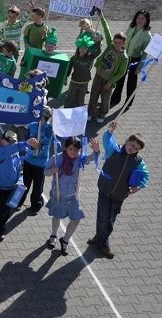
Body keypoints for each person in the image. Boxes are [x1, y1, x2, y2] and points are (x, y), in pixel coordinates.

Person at [88, 121, 149, 259]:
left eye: (136, 148)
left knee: (110, 220)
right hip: (104, 190)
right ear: (127, 141)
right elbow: (107, 140)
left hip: (119, 196)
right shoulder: (113, 150)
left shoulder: (138, 162)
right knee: (102, 216)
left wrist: (139, 186)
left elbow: (146, 175)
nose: (132, 149)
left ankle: (102, 241)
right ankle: (101, 241)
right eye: (132, 145)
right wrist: (110, 132)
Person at [44, 136, 100, 255]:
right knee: (56, 215)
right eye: (71, 149)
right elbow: (45, 171)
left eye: (76, 150)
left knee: (76, 219)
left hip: (72, 196)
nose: (73, 152)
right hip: (58, 195)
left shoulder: (79, 159)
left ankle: (65, 240)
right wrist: (51, 171)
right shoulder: (56, 158)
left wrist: (96, 150)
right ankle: (53, 236)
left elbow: (92, 158)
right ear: (65, 148)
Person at [0, 131, 38, 243]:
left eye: (13, 142)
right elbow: (11, 149)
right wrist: (24, 143)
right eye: (8, 141)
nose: (10, 144)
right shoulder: (0, 151)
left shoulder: (16, 155)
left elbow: (19, 170)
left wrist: (20, 182)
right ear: (1, 140)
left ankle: (0, 228)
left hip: (9, 189)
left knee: (4, 211)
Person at [87, 9, 128, 123]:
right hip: (99, 75)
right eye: (115, 42)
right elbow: (107, 30)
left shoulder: (124, 57)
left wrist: (110, 82)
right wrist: (102, 17)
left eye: (119, 43)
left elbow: (121, 72)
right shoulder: (110, 46)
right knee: (93, 95)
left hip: (109, 80)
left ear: (124, 43)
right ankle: (90, 112)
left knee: (105, 99)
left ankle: (102, 114)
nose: (116, 44)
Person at [111, 9, 152, 112]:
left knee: (131, 82)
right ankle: (115, 98)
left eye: (143, 18)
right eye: (138, 17)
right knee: (120, 78)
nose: (140, 20)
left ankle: (128, 103)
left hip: (135, 59)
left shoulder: (147, 35)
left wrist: (140, 67)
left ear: (147, 20)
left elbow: (145, 53)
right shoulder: (131, 26)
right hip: (124, 56)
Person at [18, 106, 54, 215]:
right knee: (25, 183)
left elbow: (48, 138)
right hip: (29, 160)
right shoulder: (33, 126)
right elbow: (26, 139)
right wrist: (29, 143)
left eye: (47, 117)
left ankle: (36, 205)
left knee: (38, 187)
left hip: (41, 164)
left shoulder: (49, 129)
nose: (44, 119)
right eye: (43, 116)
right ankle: (19, 202)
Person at [64, 35, 99, 108]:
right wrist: (65, 77)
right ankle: (66, 112)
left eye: (85, 48)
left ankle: (78, 116)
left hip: (84, 83)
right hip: (74, 82)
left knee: (80, 100)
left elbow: (98, 51)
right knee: (70, 99)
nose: (83, 50)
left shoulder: (90, 57)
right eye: (81, 48)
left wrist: (98, 42)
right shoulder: (74, 58)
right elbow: (68, 69)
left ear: (88, 49)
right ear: (78, 48)